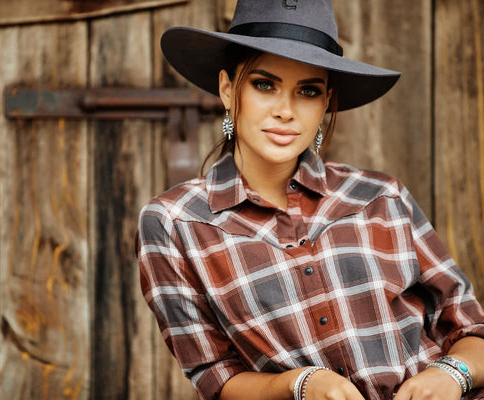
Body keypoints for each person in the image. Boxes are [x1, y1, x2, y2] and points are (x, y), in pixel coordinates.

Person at [136, 1, 484, 399]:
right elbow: (215, 376)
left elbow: (472, 329)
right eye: (264, 84)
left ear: (325, 103)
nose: (285, 111)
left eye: (308, 91)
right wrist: (298, 383)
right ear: (228, 89)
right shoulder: (173, 223)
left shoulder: (381, 197)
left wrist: (450, 374)